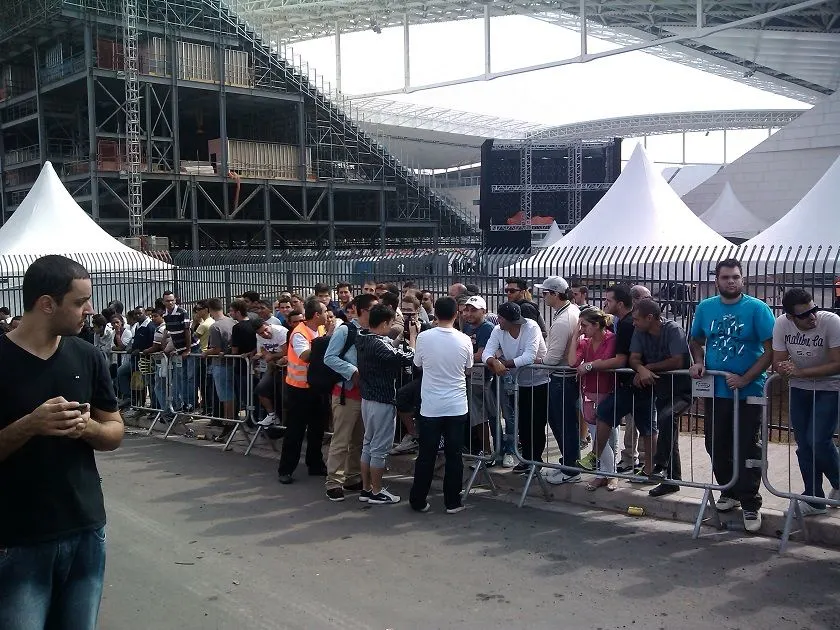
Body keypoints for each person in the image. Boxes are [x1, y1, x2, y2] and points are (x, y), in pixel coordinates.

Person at [0, 255, 124, 629]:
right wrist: (30, 425)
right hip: (18, 537)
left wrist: (88, 429)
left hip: (85, 528)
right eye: (79, 301)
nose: (89, 310)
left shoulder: (87, 356)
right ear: (47, 304)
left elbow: (114, 430)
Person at [689, 258, 775, 533]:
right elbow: (695, 340)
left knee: (747, 446)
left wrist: (747, 378)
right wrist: (698, 361)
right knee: (716, 442)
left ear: (742, 279)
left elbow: (771, 349)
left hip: (749, 391)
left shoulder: (757, 309)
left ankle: (751, 502)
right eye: (725, 277)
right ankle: (729, 490)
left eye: (735, 277)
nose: (731, 281)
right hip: (717, 390)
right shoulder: (706, 308)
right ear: (717, 280)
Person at [773, 288, 840, 516]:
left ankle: (839, 483)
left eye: (814, 309)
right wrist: (784, 368)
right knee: (804, 445)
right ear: (791, 317)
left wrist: (802, 372)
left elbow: (837, 363)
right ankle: (814, 499)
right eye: (805, 314)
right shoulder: (782, 324)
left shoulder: (831, 322)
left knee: (818, 441)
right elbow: (778, 362)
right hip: (800, 390)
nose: (812, 317)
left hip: (829, 388)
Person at [410, 297, 474, 513]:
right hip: (456, 406)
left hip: (430, 406)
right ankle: (452, 502)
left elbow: (417, 363)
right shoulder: (464, 339)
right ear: (456, 314)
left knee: (426, 455)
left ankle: (418, 500)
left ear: (435, 314)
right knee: (454, 456)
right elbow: (468, 367)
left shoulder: (424, 337)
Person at [629, 299, 693, 498]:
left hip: (683, 388)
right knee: (668, 429)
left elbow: (678, 360)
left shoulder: (673, 329)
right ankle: (671, 480)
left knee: (666, 418)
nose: (634, 323)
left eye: (637, 319)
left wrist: (649, 368)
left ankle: (660, 464)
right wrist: (640, 368)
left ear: (650, 318)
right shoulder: (640, 331)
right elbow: (633, 358)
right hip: (662, 389)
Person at [356, 304, 417, 505]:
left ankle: (366, 488)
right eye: (391, 324)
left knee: (368, 445)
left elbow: (389, 346)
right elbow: (405, 358)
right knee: (379, 449)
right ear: (383, 323)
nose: (392, 327)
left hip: (368, 398)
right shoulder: (378, 344)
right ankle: (376, 490)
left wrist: (400, 339)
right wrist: (414, 341)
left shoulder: (364, 338)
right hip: (381, 400)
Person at [323, 294, 378, 502]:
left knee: (359, 439)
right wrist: (352, 371)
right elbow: (330, 357)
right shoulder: (346, 330)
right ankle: (334, 481)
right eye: (373, 308)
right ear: (362, 310)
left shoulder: (371, 332)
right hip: (346, 393)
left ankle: (352, 476)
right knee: (341, 439)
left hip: (366, 394)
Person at [482, 302, 548, 474]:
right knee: (522, 422)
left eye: (502, 319)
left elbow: (529, 356)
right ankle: (526, 459)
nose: (500, 322)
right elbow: (486, 352)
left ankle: (536, 461)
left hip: (539, 381)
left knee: (536, 423)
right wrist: (493, 362)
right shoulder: (498, 331)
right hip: (518, 383)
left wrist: (503, 364)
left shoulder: (531, 327)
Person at [277, 298, 330, 484]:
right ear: (316, 315)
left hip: (317, 387)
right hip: (299, 390)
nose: (327, 314)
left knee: (317, 430)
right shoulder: (299, 333)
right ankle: (286, 470)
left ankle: (315, 464)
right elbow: (305, 356)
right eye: (324, 311)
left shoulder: (321, 329)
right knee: (295, 431)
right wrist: (324, 343)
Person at [535, 276, 581, 484]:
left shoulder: (564, 319)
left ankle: (571, 468)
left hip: (562, 377)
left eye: (545, 293)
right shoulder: (570, 312)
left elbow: (553, 358)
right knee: (562, 422)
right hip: (564, 377)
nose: (542, 297)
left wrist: (539, 360)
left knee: (564, 423)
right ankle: (569, 463)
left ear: (555, 294)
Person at [567, 309, 618, 490]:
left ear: (597, 325)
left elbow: (606, 360)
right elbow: (573, 362)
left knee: (607, 434)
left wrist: (588, 366)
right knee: (596, 434)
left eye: (585, 325)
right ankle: (603, 473)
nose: (582, 329)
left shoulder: (611, 339)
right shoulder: (585, 342)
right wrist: (575, 338)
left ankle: (610, 474)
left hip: (607, 391)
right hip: (588, 391)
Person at [461, 295, 498, 461]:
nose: (469, 314)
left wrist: (462, 359)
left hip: (485, 378)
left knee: (489, 415)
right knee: (478, 415)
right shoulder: (468, 328)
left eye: (473, 310)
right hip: (472, 378)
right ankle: (485, 450)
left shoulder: (486, 328)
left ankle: (493, 451)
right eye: (467, 310)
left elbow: (481, 354)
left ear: (484, 311)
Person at [253, 319, 288, 427]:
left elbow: (286, 351)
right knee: (260, 389)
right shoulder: (258, 336)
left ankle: (286, 424)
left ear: (268, 325)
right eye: (261, 333)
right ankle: (272, 415)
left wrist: (271, 356)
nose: (265, 334)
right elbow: (263, 349)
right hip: (274, 366)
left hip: (287, 366)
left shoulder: (280, 331)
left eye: (266, 330)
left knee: (285, 396)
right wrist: (269, 358)